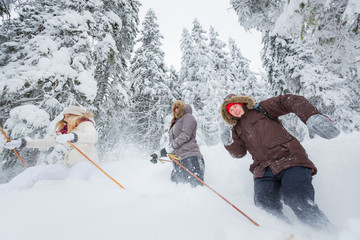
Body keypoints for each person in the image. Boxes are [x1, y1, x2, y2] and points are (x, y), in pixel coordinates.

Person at [220, 94, 340, 228]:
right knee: (264, 208)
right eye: (231, 110)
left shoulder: (261, 109)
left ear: (241, 103)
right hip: (263, 170)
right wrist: (227, 141)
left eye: (235, 106)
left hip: (289, 160)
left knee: (297, 200)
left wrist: (311, 116)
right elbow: (239, 153)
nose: (234, 110)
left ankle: (327, 233)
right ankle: (287, 234)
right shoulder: (236, 129)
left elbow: (289, 100)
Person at [1, 106, 98, 195]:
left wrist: (72, 136)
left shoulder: (86, 124)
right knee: (32, 172)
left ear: (75, 116)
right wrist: (23, 143)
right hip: (68, 166)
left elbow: (93, 136)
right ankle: (6, 193)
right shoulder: (65, 132)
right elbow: (46, 142)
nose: (64, 119)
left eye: (67, 116)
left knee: (73, 185)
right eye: (64, 116)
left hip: (85, 163)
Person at [150, 100, 205, 187]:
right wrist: (158, 154)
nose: (176, 111)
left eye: (178, 109)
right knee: (177, 188)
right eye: (174, 109)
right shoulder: (176, 125)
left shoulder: (188, 117)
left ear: (183, 109)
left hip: (190, 158)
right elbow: (172, 146)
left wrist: (170, 148)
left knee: (195, 189)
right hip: (179, 162)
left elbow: (185, 135)